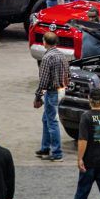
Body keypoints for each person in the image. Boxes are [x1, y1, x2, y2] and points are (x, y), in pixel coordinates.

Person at [34, 31, 67, 162]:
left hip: (51, 92)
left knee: (52, 122)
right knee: (46, 119)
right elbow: (68, 74)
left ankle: (57, 152)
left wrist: (38, 96)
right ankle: (45, 147)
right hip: (60, 91)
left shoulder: (47, 58)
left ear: (45, 42)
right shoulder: (62, 55)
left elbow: (43, 80)